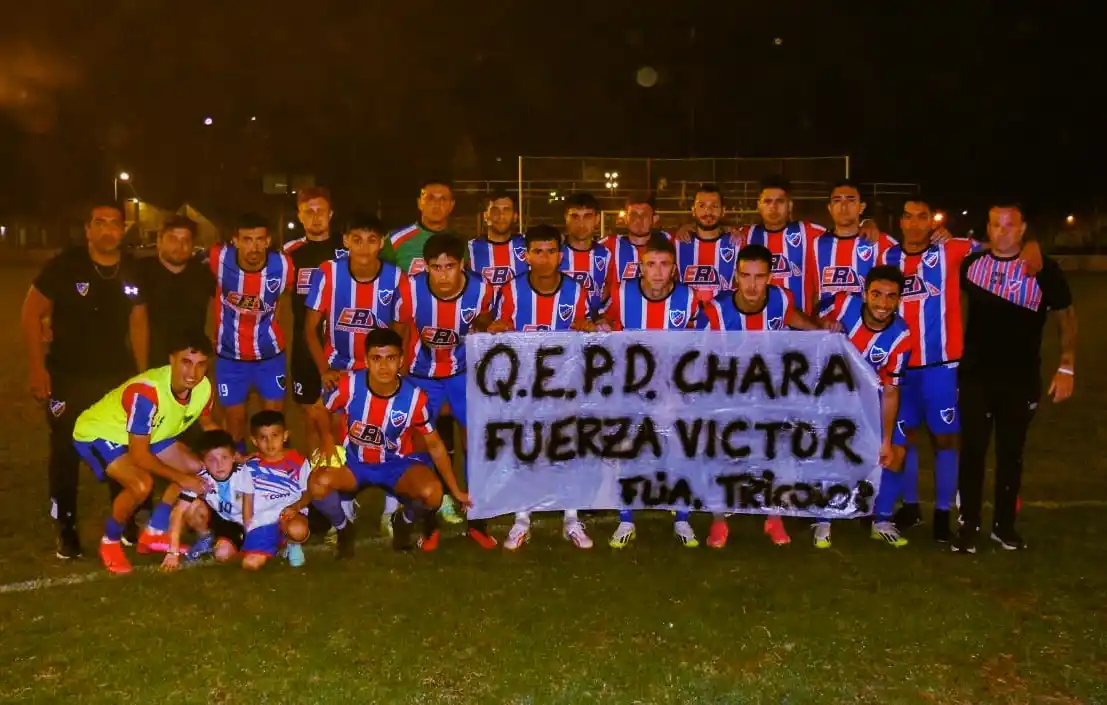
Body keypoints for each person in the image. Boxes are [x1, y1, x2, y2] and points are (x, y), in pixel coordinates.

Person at [21, 203, 149, 559]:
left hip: (115, 377)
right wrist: (37, 369)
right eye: (100, 223)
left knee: (118, 451)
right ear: (88, 229)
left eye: (115, 224)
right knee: (65, 452)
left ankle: (124, 520)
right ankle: (66, 526)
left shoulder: (132, 270)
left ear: (123, 230)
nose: (108, 229)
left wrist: (139, 376)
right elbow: (31, 312)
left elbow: (138, 321)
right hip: (67, 376)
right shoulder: (66, 265)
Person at [696, 244, 840, 548]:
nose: (752, 284)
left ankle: (773, 517)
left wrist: (823, 330)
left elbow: (797, 320)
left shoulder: (780, 298)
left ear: (770, 277)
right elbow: (698, 356)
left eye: (759, 277)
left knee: (774, 453)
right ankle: (719, 522)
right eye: (746, 276)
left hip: (771, 391)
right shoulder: (716, 311)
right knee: (724, 457)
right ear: (735, 276)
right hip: (729, 392)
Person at [954, 203, 1076, 553]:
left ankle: (1004, 527)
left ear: (1023, 230)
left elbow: (1066, 315)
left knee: (1011, 453)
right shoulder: (971, 266)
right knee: (973, 452)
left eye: (1011, 226)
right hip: (976, 377)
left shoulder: (1042, 268)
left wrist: (1066, 364)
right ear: (988, 228)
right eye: (996, 225)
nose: (1003, 232)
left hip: (1020, 379)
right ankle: (969, 526)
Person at [308, 328, 472, 554]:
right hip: (355, 464)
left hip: (396, 465)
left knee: (432, 494)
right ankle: (344, 529)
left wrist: (455, 490)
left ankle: (403, 521)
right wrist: (327, 439)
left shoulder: (415, 398)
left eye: (391, 358)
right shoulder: (348, 385)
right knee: (317, 483)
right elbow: (318, 410)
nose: (383, 367)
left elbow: (434, 444)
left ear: (401, 360)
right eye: (376, 359)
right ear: (366, 360)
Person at [72, 331, 219, 573]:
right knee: (141, 485)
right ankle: (110, 542)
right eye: (186, 362)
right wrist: (181, 479)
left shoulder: (204, 389)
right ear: (171, 359)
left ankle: (153, 532)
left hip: (151, 434)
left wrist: (234, 454)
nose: (193, 373)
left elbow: (208, 425)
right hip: (101, 433)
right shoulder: (146, 394)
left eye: (201, 364)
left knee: (197, 467)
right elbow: (141, 456)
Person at [487, 224, 596, 550]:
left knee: (568, 449)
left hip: (566, 384)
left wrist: (587, 328)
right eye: (538, 251)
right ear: (527, 255)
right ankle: (523, 518)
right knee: (526, 449)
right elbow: (494, 327)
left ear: (560, 255)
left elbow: (588, 332)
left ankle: (571, 518)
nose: (544, 258)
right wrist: (495, 327)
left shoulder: (576, 291)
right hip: (524, 384)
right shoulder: (510, 290)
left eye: (551, 251)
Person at [304, 214, 405, 537]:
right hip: (340, 365)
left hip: (380, 367)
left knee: (391, 429)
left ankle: (393, 506)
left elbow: (402, 325)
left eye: (372, 239)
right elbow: (309, 328)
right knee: (333, 428)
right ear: (345, 241)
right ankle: (343, 499)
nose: (364, 247)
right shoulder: (329, 272)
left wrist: (394, 365)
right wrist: (324, 369)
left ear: (382, 243)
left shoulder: (394, 276)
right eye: (357, 239)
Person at [395, 233, 498, 550]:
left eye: (449, 266)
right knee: (422, 446)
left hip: (462, 372)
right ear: (425, 267)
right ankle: (429, 520)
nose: (442, 274)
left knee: (477, 440)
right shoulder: (411, 288)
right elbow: (400, 328)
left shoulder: (481, 288)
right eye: (435, 267)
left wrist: (483, 323)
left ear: (462, 265)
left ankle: (477, 518)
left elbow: (486, 318)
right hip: (421, 373)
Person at [599, 235, 701, 549]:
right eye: (651, 264)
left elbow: (697, 345)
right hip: (631, 387)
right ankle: (626, 519)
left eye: (664, 264)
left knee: (678, 450)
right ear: (640, 268)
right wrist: (601, 323)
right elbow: (603, 320)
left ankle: (682, 517)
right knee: (627, 450)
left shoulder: (689, 297)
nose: (657, 271)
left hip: (673, 390)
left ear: (674, 269)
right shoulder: (621, 292)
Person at [819, 266, 915, 549]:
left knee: (895, 451)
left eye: (890, 297)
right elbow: (810, 323)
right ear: (864, 293)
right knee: (829, 452)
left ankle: (881, 519)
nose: (882, 304)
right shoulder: (842, 305)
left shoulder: (901, 335)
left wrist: (884, 440)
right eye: (876, 295)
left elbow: (891, 390)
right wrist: (824, 324)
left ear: (899, 299)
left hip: (873, 399)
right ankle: (824, 519)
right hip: (832, 394)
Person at [209, 213, 295, 452]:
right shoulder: (220, 257)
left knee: (272, 421)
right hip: (230, 357)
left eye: (260, 239)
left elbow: (285, 297)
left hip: (270, 356)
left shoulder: (283, 265)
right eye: (247, 239)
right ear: (235, 240)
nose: (254, 246)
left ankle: (272, 473)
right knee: (235, 422)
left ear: (268, 240)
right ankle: (240, 469)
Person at [282, 187, 350, 456]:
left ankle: (341, 481)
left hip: (342, 345)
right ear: (299, 216)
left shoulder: (345, 249)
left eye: (321, 210)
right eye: (308, 211)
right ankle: (314, 481)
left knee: (338, 418)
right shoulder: (290, 253)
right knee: (311, 415)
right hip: (305, 346)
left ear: (331, 213)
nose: (315, 216)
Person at [160, 430, 251, 570]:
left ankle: (256, 541)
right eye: (212, 460)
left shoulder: (246, 475)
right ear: (203, 462)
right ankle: (206, 538)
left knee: (227, 553)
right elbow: (178, 512)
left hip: (250, 522)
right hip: (224, 521)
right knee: (192, 506)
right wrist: (173, 552)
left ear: (234, 457)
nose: (219, 465)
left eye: (224, 458)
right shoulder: (201, 479)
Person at [808, 180, 900, 317]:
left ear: (861, 207)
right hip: (828, 332)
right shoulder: (815, 244)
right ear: (830, 207)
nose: (844, 206)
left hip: (869, 332)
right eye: (837, 201)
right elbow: (814, 292)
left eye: (850, 200)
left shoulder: (884, 243)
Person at [234, 410, 312, 569]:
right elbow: (246, 500)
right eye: (263, 438)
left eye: (275, 435)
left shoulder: (299, 461)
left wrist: (296, 508)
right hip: (263, 520)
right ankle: (278, 544)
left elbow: (308, 493)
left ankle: (292, 542)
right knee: (250, 565)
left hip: (290, 515)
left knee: (298, 530)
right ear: (254, 441)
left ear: (285, 435)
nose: (270, 443)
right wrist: (248, 527)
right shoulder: (250, 467)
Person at [135, 215, 215, 368]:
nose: (180, 246)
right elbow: (137, 322)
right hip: (155, 364)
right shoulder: (142, 273)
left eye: (186, 240)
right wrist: (142, 370)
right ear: (159, 240)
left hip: (194, 363)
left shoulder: (202, 273)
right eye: (173, 239)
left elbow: (217, 308)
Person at [741, 176, 826, 315]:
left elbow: (845, 234)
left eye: (779, 201)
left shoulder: (809, 232)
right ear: (758, 205)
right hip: (758, 329)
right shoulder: (744, 236)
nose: (773, 207)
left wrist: (866, 224)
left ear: (790, 205)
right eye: (767, 201)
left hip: (800, 328)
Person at [674, 184, 741, 303]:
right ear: (693, 210)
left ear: (723, 211)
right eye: (702, 206)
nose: (708, 211)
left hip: (724, 319)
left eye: (714, 206)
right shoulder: (676, 241)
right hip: (688, 320)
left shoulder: (738, 242)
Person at [382, 179, 459, 275]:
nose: (437, 204)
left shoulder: (461, 242)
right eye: (430, 198)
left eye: (443, 199)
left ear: (451, 205)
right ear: (419, 203)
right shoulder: (394, 239)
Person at [560, 192, 611, 315]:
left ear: (597, 219)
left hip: (594, 329)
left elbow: (611, 295)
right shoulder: (553, 253)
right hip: (559, 331)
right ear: (566, 218)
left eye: (587, 216)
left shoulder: (607, 255)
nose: (581, 223)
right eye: (575, 216)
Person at [603, 192, 667, 289]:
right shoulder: (608, 244)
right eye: (633, 215)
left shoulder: (670, 241)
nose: (638, 219)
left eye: (644, 215)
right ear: (625, 218)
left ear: (654, 219)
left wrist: (688, 227)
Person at [468, 190, 528, 290]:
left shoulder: (529, 245)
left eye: (507, 210)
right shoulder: (469, 249)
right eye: (495, 210)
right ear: (486, 216)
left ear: (515, 216)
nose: (501, 215)